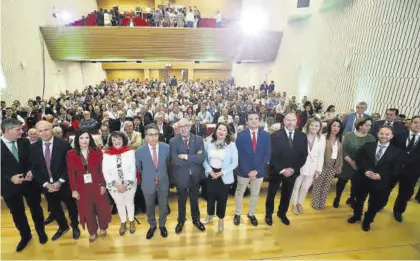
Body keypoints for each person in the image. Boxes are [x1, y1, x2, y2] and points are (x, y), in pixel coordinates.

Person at [1, 119, 47, 252]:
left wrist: (32, 171)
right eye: (18, 129)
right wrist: (9, 178)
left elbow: (35, 160)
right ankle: (25, 236)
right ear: (8, 130)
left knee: (36, 209)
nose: (22, 131)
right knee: (17, 213)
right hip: (9, 187)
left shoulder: (25, 142)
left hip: (30, 184)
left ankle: (41, 232)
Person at [31, 121, 80, 241]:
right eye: (40, 131)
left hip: (64, 184)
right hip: (47, 186)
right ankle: (63, 227)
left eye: (46, 129)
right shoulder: (33, 147)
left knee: (72, 207)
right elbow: (34, 168)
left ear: (51, 129)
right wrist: (46, 184)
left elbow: (70, 165)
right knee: (55, 208)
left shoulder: (64, 144)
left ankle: (75, 227)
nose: (44, 133)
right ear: (37, 132)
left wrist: (60, 181)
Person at [347, 126, 401, 231]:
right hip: (363, 179)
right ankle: (357, 215)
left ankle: (368, 220)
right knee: (359, 199)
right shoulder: (368, 146)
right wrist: (365, 170)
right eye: (381, 133)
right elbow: (359, 160)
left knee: (375, 203)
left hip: (380, 182)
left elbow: (396, 169)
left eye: (387, 134)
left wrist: (381, 176)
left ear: (391, 136)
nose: (384, 136)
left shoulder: (396, 152)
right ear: (377, 134)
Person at [67, 130, 111, 242]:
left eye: (87, 138)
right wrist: (74, 190)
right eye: (81, 138)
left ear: (90, 139)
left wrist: (103, 184)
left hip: (97, 183)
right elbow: (71, 173)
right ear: (77, 139)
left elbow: (102, 169)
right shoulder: (71, 154)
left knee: (101, 208)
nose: (84, 140)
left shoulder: (97, 151)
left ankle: (103, 227)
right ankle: (92, 231)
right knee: (87, 210)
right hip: (81, 187)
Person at [265, 112, 308, 226]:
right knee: (271, 194)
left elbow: (303, 155)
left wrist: (292, 169)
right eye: (287, 120)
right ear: (284, 121)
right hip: (277, 171)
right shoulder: (275, 135)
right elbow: (272, 155)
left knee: (286, 194)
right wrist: (282, 170)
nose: (290, 122)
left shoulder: (302, 136)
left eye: (293, 120)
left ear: (296, 121)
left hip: (292, 172)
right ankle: (268, 215)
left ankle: (282, 213)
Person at [234, 112, 271, 226]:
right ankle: (238, 214)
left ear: (259, 120)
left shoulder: (266, 135)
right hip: (243, 171)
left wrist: (257, 171)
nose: (254, 121)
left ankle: (251, 213)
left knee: (255, 194)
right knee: (240, 193)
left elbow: (267, 155)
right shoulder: (241, 135)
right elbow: (238, 155)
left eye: (256, 119)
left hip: (258, 172)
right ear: (247, 122)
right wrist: (247, 171)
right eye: (251, 119)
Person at [169, 118, 206, 234]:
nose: (183, 128)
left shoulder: (199, 139)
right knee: (181, 200)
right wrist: (194, 157)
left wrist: (186, 157)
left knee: (195, 199)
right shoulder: (173, 141)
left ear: (190, 127)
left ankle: (196, 220)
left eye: (185, 126)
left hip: (195, 176)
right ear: (178, 129)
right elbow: (175, 161)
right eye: (180, 126)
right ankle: (181, 221)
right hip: (181, 176)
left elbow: (201, 158)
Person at [135, 124, 171, 239]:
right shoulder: (139, 151)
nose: (154, 137)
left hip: (163, 181)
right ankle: (152, 225)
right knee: (149, 206)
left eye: (156, 134)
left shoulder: (166, 147)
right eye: (150, 135)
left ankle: (162, 224)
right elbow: (139, 168)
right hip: (148, 183)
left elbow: (169, 164)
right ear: (145, 136)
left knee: (163, 205)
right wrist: (149, 175)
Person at [202, 122, 238, 232]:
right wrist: (209, 170)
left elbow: (234, 163)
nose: (221, 132)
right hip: (211, 174)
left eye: (224, 130)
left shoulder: (231, 145)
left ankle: (221, 219)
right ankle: (209, 214)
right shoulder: (208, 142)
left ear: (227, 133)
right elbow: (204, 159)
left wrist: (222, 172)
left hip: (224, 175)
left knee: (222, 199)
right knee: (210, 196)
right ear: (215, 131)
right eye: (219, 129)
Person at [334, 118, 376, 208]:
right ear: (360, 125)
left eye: (370, 125)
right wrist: (352, 162)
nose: (370, 127)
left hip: (361, 166)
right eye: (367, 125)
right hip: (347, 163)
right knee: (341, 182)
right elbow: (342, 151)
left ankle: (352, 199)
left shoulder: (371, 138)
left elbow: (372, 153)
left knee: (356, 185)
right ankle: (337, 198)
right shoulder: (349, 135)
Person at [102, 131, 137, 235]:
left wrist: (126, 184)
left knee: (129, 203)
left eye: (119, 139)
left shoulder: (130, 152)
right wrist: (117, 184)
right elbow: (105, 171)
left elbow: (133, 168)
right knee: (119, 204)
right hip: (114, 186)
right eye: (114, 140)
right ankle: (123, 222)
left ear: (123, 140)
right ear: (111, 141)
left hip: (129, 184)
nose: (117, 141)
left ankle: (131, 221)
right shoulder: (106, 154)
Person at [291, 118, 326, 214]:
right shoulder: (301, 136)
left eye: (316, 126)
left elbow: (321, 154)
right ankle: (294, 204)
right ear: (308, 126)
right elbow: (295, 152)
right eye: (312, 125)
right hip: (300, 166)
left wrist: (318, 170)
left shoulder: (322, 138)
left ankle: (300, 203)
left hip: (313, 167)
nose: (314, 127)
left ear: (319, 127)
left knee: (305, 187)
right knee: (296, 186)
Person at [391, 115, 420, 222]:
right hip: (394, 169)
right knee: (385, 188)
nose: (418, 125)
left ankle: (398, 211)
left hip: (412, 172)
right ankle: (379, 205)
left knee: (405, 193)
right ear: (410, 124)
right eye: (416, 122)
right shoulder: (398, 136)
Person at [311, 119, 343, 209]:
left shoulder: (341, 138)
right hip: (323, 163)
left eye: (338, 126)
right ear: (330, 126)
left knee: (326, 185)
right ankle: (315, 204)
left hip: (334, 164)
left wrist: (339, 165)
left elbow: (340, 154)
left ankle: (322, 203)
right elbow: (318, 153)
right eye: (334, 125)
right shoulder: (323, 137)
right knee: (318, 184)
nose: (336, 128)